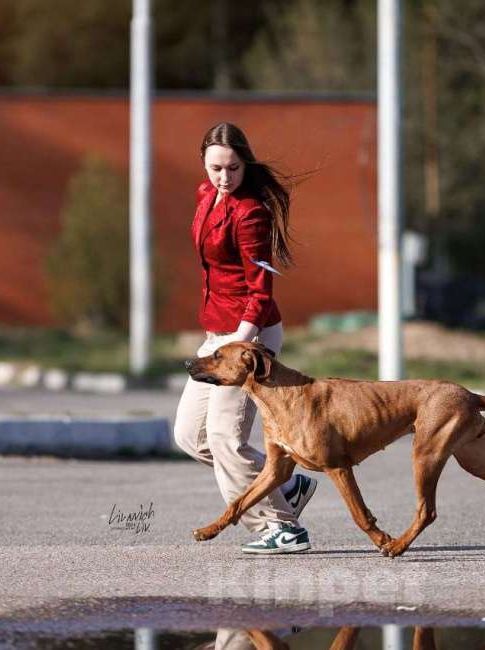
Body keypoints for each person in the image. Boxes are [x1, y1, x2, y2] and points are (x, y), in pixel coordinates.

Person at [173, 122, 317, 554]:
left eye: (233, 168)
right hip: (217, 334)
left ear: (244, 164)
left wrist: (242, 343)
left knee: (225, 439)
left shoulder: (251, 213)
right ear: (203, 162)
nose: (224, 177)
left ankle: (280, 527)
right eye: (216, 168)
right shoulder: (206, 196)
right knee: (191, 436)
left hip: (247, 336)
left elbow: (261, 288)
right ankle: (287, 486)